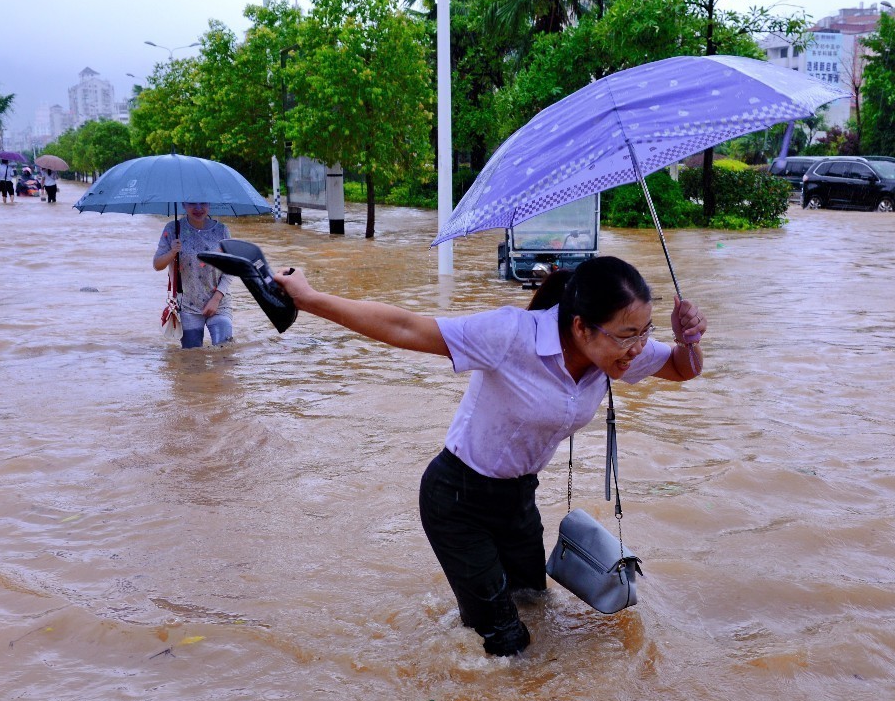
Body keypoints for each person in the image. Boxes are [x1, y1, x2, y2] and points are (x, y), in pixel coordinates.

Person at [272, 256, 707, 656]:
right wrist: (309, 300)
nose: (638, 347)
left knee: (535, 605)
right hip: (458, 500)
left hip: (518, 501)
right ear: (580, 327)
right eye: (628, 335)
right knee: (506, 642)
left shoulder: (617, 351)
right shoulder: (510, 334)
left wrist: (687, 339)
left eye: (646, 331)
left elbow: (682, 367)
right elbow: (405, 326)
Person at [152, 202, 233, 349]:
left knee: (225, 354)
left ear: (209, 203)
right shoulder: (173, 229)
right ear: (183, 204)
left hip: (219, 301)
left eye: (203, 203)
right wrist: (172, 252)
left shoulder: (222, 230)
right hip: (187, 305)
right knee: (192, 359)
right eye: (192, 203)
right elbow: (157, 264)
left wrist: (216, 299)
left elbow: (231, 268)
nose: (198, 208)